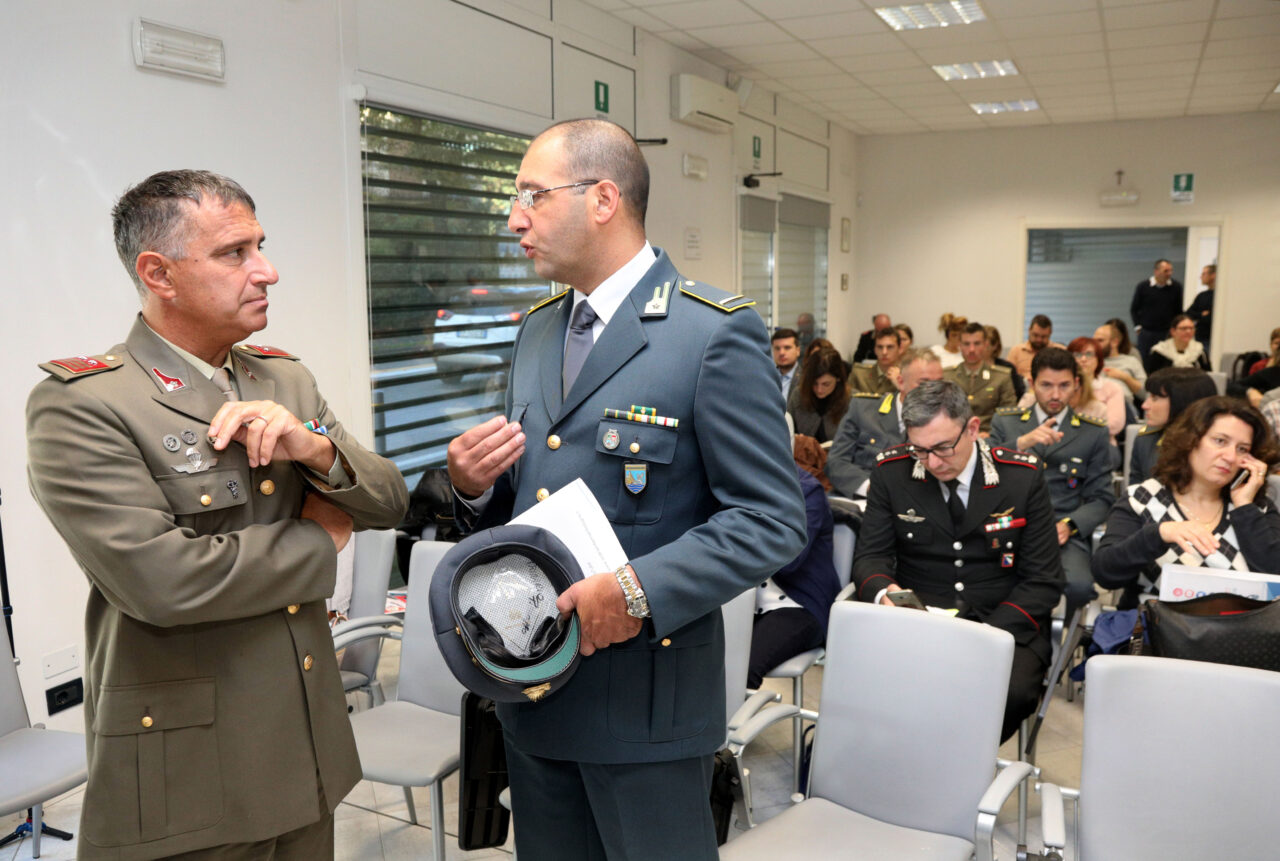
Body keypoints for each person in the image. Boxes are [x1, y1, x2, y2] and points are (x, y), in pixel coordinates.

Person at [445, 119, 806, 860]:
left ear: (603, 198)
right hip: (535, 688)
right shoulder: (540, 330)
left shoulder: (711, 333)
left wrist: (636, 588)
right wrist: (474, 486)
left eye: (532, 196)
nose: (515, 218)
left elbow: (771, 518)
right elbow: (535, 483)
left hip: (645, 704)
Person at [25, 170, 410, 859]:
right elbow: (164, 582)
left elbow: (388, 499)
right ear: (158, 273)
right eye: (235, 253)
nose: (267, 271)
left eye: (261, 245)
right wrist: (322, 536)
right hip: (189, 776)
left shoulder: (282, 378)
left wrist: (314, 447)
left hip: (306, 749)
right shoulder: (85, 404)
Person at [851, 380, 1065, 741]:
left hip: (1002, 622)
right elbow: (871, 556)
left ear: (973, 429)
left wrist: (984, 636)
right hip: (921, 621)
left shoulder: (1021, 478)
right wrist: (883, 591)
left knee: (1005, 696)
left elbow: (1043, 581)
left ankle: (957, 775)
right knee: (879, 691)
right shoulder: (892, 472)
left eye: (943, 447)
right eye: (920, 450)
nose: (932, 462)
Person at [1093, 396, 1280, 606]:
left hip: (1240, 633)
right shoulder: (1144, 499)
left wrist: (1244, 507)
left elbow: (1275, 576)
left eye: (1242, 449)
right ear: (1190, 440)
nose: (1230, 457)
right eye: (1220, 441)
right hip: (1161, 630)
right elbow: (1105, 573)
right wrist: (1160, 533)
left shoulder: (1255, 508)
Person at [990, 347, 1114, 617]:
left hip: (1061, 531)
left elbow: (1102, 498)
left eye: (1064, 385)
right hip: (1008, 525)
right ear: (1032, 384)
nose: (1055, 395)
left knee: (1079, 587)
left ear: (1077, 384)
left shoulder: (1093, 433)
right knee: (989, 583)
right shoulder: (1007, 422)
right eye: (1046, 385)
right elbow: (982, 470)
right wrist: (1023, 443)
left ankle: (1063, 651)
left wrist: (1069, 526)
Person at [747, 466, 841, 689]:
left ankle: (729, 723)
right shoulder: (735, 483)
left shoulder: (806, 491)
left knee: (741, 667)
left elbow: (790, 561)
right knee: (697, 652)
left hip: (799, 603)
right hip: (744, 600)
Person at [826, 349, 943, 497]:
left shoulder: (947, 421)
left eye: (939, 384)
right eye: (923, 383)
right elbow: (836, 462)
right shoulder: (863, 410)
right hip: (863, 499)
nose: (933, 392)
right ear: (900, 382)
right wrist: (871, 488)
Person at [1130, 368, 1219, 487]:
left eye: (1155, 398)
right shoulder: (1145, 441)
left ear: (1181, 402)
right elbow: (1133, 496)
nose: (1145, 405)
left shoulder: (1217, 447)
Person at [944, 322, 1016, 433]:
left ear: (985, 344)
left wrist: (991, 435)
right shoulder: (947, 376)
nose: (971, 349)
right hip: (954, 436)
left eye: (977, 343)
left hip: (989, 437)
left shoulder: (1001, 377)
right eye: (966, 344)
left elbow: (1008, 416)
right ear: (960, 345)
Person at [1067, 335, 1126, 440]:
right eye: (1077, 354)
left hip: (1102, 442)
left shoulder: (1112, 388)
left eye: (1089, 354)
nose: (1083, 359)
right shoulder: (1063, 386)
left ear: (1098, 359)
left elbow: (1114, 425)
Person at [788, 346, 850, 444]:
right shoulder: (798, 395)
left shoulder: (852, 400)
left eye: (826, 384)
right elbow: (787, 429)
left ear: (838, 379)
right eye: (814, 383)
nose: (819, 390)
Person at [1131, 258, 1184, 362]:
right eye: (1166, 271)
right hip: (1146, 332)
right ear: (1156, 271)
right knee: (1145, 360)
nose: (1169, 273)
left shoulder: (1176, 287)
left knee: (1166, 360)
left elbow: (1178, 311)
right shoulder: (1143, 286)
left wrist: (1176, 330)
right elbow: (1134, 309)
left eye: (1171, 270)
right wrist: (1138, 327)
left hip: (1167, 332)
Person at [1094, 321, 1146, 402]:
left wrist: (1124, 377)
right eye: (1094, 341)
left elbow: (1145, 393)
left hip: (1124, 403)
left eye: (1100, 341)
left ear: (1114, 342)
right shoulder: (1090, 361)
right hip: (1096, 404)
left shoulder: (1131, 361)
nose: (1095, 345)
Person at [1145, 313, 1211, 374]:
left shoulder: (1200, 352)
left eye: (1191, 328)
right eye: (1184, 328)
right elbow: (1151, 377)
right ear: (1173, 331)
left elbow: (1208, 376)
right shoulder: (1159, 352)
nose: (1188, 331)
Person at [1007, 314, 1065, 382]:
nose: (1039, 340)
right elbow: (1008, 377)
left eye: (1043, 337)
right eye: (1035, 335)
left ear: (1050, 334)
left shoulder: (1060, 351)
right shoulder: (1016, 351)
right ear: (1029, 330)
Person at [850, 326, 902, 395]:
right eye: (880, 347)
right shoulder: (859, 374)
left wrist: (899, 385)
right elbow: (846, 402)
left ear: (899, 349)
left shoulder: (906, 376)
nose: (884, 352)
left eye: (890, 347)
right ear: (875, 349)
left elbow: (915, 403)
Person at [985, 324, 1026, 400]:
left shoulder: (1007, 368)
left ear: (995, 346)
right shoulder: (971, 367)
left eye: (985, 345)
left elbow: (1018, 394)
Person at [1186, 264, 1216, 353]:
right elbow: (1188, 313)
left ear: (1213, 275)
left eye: (1204, 274)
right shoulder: (1202, 296)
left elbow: (1212, 318)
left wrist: (1199, 317)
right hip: (1200, 338)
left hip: (1211, 338)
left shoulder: (1219, 297)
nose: (1201, 277)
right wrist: (1201, 314)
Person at [771, 327, 800, 400]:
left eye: (787, 348)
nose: (781, 353)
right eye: (777, 348)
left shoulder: (806, 379)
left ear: (798, 351)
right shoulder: (767, 377)